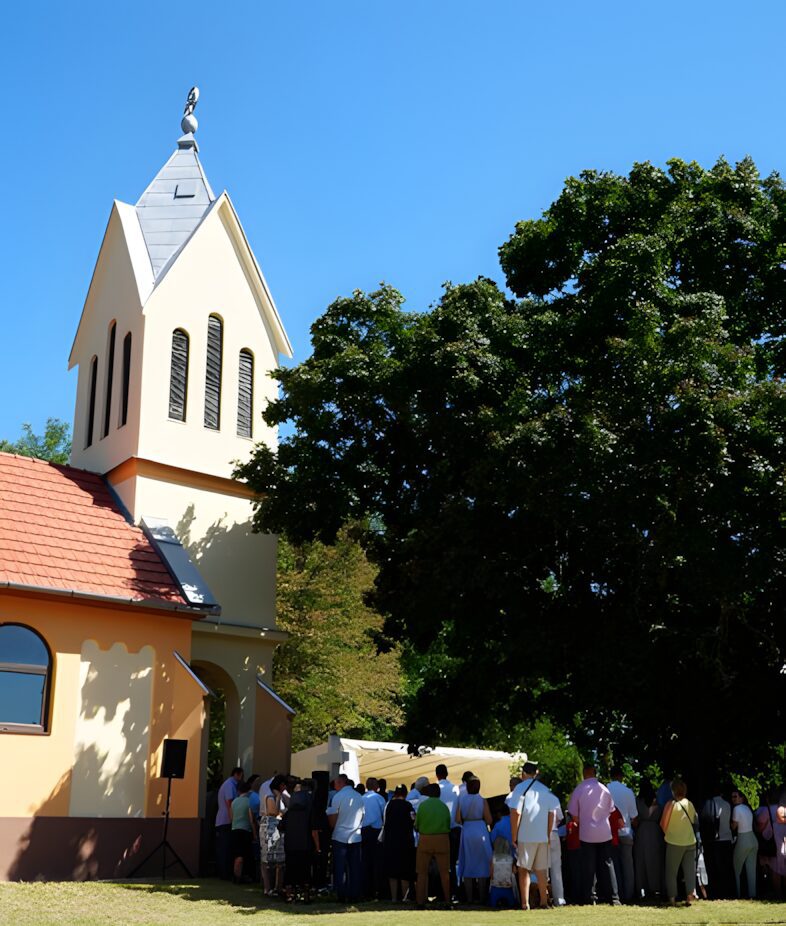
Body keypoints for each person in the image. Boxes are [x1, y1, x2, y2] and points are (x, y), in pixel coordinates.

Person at [509, 761, 558, 911]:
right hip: (542, 835)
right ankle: (544, 900)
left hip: (525, 834)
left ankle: (525, 903)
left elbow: (515, 812)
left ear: (523, 773)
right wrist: (548, 834)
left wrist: (514, 835)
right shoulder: (545, 790)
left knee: (524, 869)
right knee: (541, 869)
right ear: (536, 773)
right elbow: (552, 813)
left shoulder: (519, 788)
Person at [567, 763, 619, 905]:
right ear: (595, 773)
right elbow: (611, 810)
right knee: (608, 864)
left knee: (588, 866)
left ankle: (590, 897)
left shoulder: (579, 789)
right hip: (604, 832)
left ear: (584, 774)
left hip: (587, 833)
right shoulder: (604, 789)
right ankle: (613, 897)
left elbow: (574, 815)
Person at [326, 773, 365, 903]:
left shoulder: (337, 797)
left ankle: (341, 893)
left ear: (340, 783)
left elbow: (332, 819)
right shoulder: (359, 796)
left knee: (340, 867)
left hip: (340, 835)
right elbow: (363, 815)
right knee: (354, 867)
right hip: (356, 836)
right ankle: (354, 893)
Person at [660, 778, 697, 906]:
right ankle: (689, 896)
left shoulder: (670, 805)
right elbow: (693, 820)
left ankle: (672, 899)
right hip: (690, 841)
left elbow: (663, 824)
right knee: (689, 871)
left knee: (671, 872)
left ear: (673, 791)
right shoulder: (689, 804)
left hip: (674, 841)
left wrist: (668, 834)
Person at [456, 776, 493, 904]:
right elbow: (489, 820)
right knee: (482, 862)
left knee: (468, 862)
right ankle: (482, 897)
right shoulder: (482, 800)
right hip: (480, 829)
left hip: (467, 830)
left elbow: (457, 819)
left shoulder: (462, 800)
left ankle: (469, 897)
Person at [414, 783, 451, 908]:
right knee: (444, 872)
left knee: (421, 872)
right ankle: (447, 900)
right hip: (442, 839)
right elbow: (448, 823)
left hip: (425, 839)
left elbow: (417, 825)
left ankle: (420, 901)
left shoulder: (423, 806)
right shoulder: (444, 807)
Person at [607, 766, 638, 902]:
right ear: (621, 776)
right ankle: (629, 894)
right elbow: (634, 816)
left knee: (612, 865)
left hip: (609, 832)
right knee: (628, 865)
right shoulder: (628, 791)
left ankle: (615, 894)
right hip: (625, 831)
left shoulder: (605, 790)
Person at [282, 780, 317, 903]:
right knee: (305, 870)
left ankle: (289, 895)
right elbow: (313, 831)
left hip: (290, 845)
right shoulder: (309, 812)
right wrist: (317, 847)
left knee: (290, 870)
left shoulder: (289, 812)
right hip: (305, 845)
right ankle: (306, 895)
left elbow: (280, 826)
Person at [382, 784, 416, 902]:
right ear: (405, 793)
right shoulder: (408, 806)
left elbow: (384, 822)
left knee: (392, 871)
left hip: (391, 841)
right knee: (405, 871)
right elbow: (414, 821)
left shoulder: (389, 805)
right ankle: (404, 896)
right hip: (405, 841)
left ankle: (393, 897)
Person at [701, 785, 733, 898]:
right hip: (727, 838)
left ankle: (715, 892)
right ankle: (727, 891)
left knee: (714, 867)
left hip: (714, 840)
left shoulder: (707, 804)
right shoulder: (727, 804)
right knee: (726, 867)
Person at [634, 780, 664, 899]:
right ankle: (656, 887)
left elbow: (635, 818)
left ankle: (642, 887)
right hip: (656, 832)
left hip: (642, 832)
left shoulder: (637, 801)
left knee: (641, 861)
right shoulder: (657, 802)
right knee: (656, 861)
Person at [260, 774, 287, 896]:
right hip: (269, 828)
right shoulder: (271, 796)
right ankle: (267, 887)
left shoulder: (279, 796)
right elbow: (273, 812)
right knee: (267, 859)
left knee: (279, 859)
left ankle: (278, 887)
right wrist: (278, 798)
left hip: (277, 828)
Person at [435, 763, 461, 896]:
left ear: (437, 775)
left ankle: (442, 891)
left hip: (440, 829)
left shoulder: (436, 789)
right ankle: (454, 890)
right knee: (453, 862)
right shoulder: (455, 788)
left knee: (441, 862)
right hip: (455, 828)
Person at [215, 767, 243, 879]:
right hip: (225, 820)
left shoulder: (228, 784)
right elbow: (229, 802)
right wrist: (233, 818)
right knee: (225, 848)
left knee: (225, 847)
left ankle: (225, 872)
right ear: (237, 774)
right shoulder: (229, 785)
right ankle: (224, 873)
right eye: (241, 776)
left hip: (224, 820)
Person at [361, 776, 386, 899]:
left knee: (365, 861)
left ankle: (366, 890)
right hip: (376, 832)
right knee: (377, 861)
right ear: (376, 787)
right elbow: (384, 814)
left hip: (364, 831)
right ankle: (377, 889)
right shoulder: (379, 798)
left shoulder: (361, 798)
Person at [731, 788, 757, 898]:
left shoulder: (737, 809)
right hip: (753, 840)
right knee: (751, 869)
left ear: (741, 798)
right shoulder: (747, 808)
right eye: (732, 797)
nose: (733, 799)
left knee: (736, 869)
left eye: (735, 796)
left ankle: (737, 894)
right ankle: (753, 894)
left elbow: (734, 826)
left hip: (743, 839)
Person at [230, 780, 256, 883]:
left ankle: (236, 875)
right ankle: (243, 876)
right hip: (245, 830)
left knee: (237, 854)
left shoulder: (234, 802)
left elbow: (231, 818)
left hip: (235, 829)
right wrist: (254, 833)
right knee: (245, 855)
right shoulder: (249, 802)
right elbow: (251, 820)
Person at [489, 835, 516, 908]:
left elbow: (491, 874)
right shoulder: (511, 859)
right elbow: (514, 872)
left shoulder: (493, 859)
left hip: (496, 885)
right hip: (508, 885)